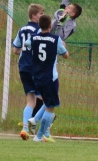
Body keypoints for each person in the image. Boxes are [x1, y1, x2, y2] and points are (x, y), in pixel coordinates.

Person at [27, 0, 97, 135]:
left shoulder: (71, 24)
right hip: (44, 51)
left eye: (69, 8)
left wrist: (59, 23)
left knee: (47, 97)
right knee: (50, 98)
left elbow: (60, 37)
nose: (66, 7)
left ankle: (37, 123)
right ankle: (40, 128)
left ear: (71, 14)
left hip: (50, 51)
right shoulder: (60, 13)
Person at [25, 14, 69, 142]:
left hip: (37, 77)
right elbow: (65, 55)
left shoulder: (33, 38)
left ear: (39, 26)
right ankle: (39, 137)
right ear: (51, 26)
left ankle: (34, 120)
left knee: (48, 102)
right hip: (50, 78)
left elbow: (27, 44)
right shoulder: (56, 39)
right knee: (50, 106)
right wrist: (63, 46)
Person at [12, 3, 44, 140]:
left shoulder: (22, 29)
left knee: (30, 101)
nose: (43, 16)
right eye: (41, 14)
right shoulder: (39, 30)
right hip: (35, 67)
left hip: (23, 66)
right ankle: (36, 124)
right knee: (47, 99)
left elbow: (15, 50)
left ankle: (25, 128)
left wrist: (24, 50)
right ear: (34, 15)